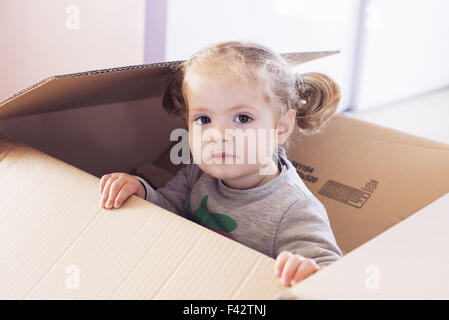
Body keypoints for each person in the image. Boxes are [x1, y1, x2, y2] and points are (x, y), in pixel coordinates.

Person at [98, 40, 342, 287]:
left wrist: (308, 271)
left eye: (242, 118)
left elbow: (333, 272)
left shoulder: (295, 209)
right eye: (203, 119)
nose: (218, 134)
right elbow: (168, 207)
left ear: (281, 127)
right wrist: (141, 191)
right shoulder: (198, 173)